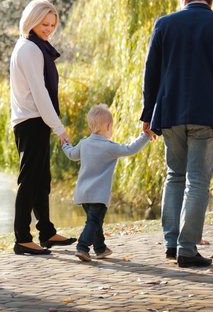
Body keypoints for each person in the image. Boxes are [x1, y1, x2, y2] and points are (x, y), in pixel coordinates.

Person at [140, 0, 213, 268]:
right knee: (197, 180)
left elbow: (150, 74)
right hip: (207, 115)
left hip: (170, 113)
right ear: (210, 2)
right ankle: (187, 249)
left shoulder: (164, 24)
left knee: (174, 175)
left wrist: (147, 114)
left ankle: (172, 243)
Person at [9, 0, 76, 255]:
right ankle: (22, 238)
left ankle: (46, 232)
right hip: (32, 121)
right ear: (32, 20)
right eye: (44, 23)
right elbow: (40, 94)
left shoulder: (30, 46)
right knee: (29, 180)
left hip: (30, 120)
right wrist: (60, 129)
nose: (49, 29)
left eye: (52, 25)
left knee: (41, 180)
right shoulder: (30, 50)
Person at [61, 104, 152, 262]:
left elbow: (71, 155)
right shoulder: (109, 147)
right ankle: (82, 247)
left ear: (90, 129)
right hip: (99, 194)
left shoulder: (83, 144)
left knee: (95, 222)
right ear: (109, 126)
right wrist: (145, 136)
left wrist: (65, 144)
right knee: (94, 221)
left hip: (83, 194)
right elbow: (130, 149)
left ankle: (100, 249)